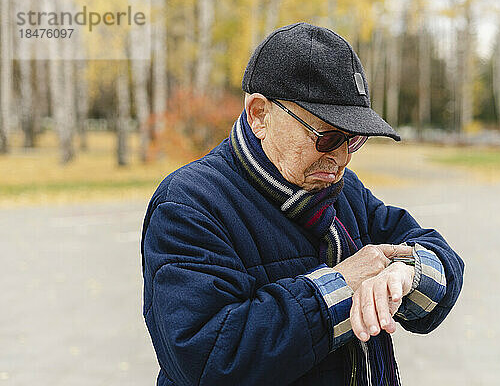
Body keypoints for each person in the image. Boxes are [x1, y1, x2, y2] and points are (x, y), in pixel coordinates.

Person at [141, 22, 464, 386]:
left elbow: (441, 261)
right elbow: (209, 361)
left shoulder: (344, 190)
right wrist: (343, 286)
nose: (342, 159)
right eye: (327, 137)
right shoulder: (189, 204)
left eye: (353, 140)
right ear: (259, 115)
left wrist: (403, 273)